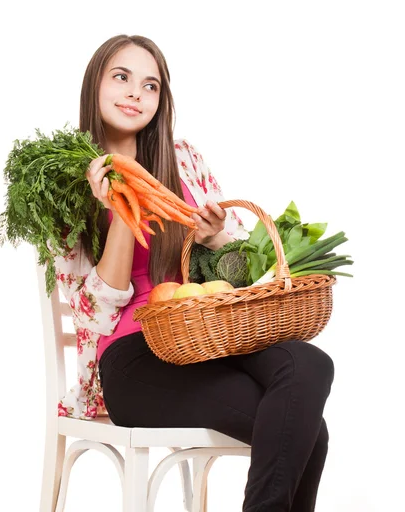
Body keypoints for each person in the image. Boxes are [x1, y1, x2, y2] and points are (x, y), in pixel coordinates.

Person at [53, 34, 335, 512]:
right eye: (121, 77)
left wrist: (216, 239)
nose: (135, 94)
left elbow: (245, 277)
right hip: (131, 359)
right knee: (308, 430)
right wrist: (123, 209)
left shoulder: (183, 159)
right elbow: (95, 315)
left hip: (205, 337)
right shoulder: (67, 180)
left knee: (310, 365)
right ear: (94, 84)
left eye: (151, 85)